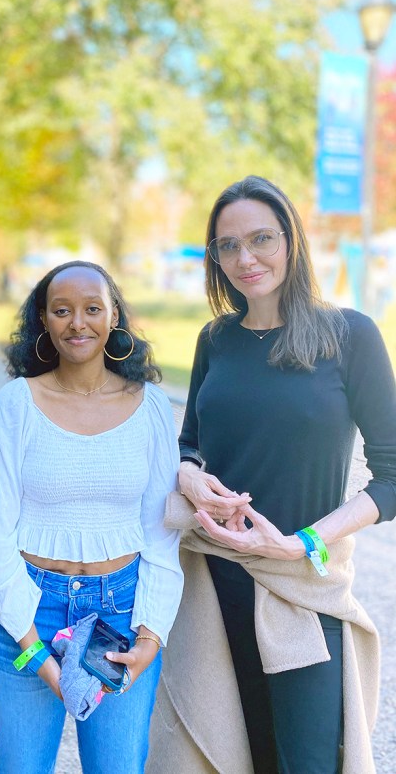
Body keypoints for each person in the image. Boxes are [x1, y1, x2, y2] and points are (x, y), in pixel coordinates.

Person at [148, 176, 396, 774]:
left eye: (261, 238)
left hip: (300, 583)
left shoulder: (350, 335)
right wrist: (188, 474)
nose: (245, 258)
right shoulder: (216, 340)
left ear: (292, 239)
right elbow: (191, 445)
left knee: (307, 758)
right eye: (226, 246)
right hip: (214, 582)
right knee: (226, 751)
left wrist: (299, 543)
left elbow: (391, 476)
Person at [0, 260, 183, 774]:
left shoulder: (152, 406)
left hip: (120, 618)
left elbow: (161, 534)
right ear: (43, 321)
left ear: (115, 317)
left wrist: (150, 638)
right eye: (61, 310)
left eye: (92, 308)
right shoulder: (16, 405)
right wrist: (33, 650)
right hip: (27, 614)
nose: (77, 322)